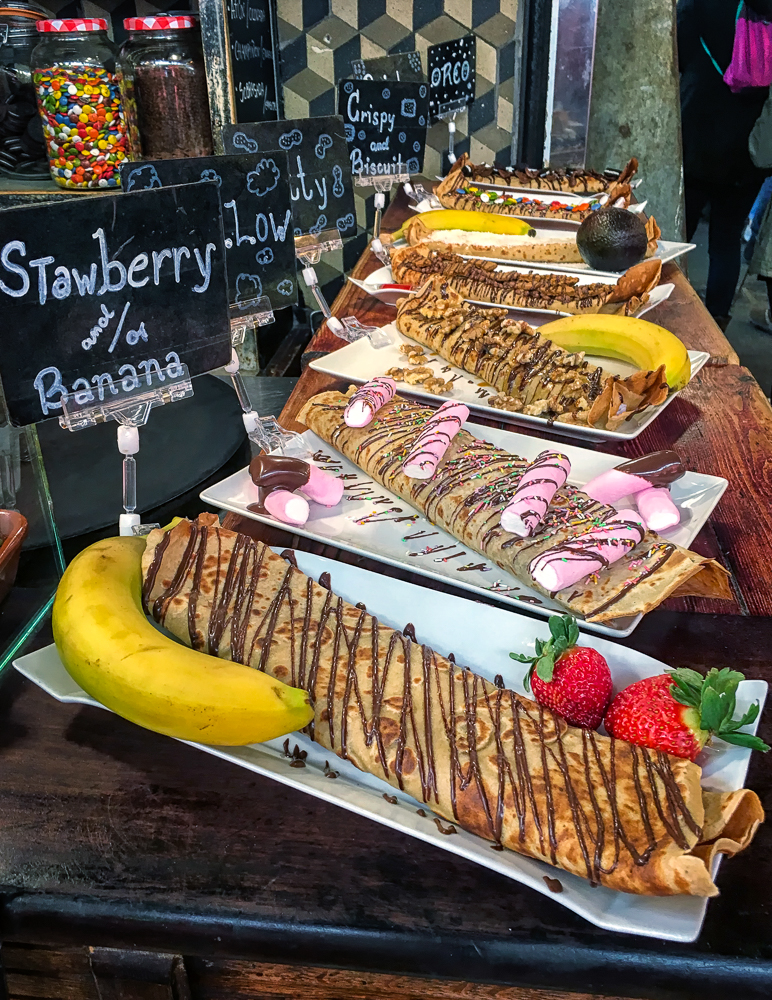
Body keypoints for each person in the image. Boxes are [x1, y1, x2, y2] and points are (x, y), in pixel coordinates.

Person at [678, 0, 772, 329]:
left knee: (679, 231)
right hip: (751, 143)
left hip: (700, 129)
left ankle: (669, 311)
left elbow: (677, 51)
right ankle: (717, 322)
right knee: (727, 239)